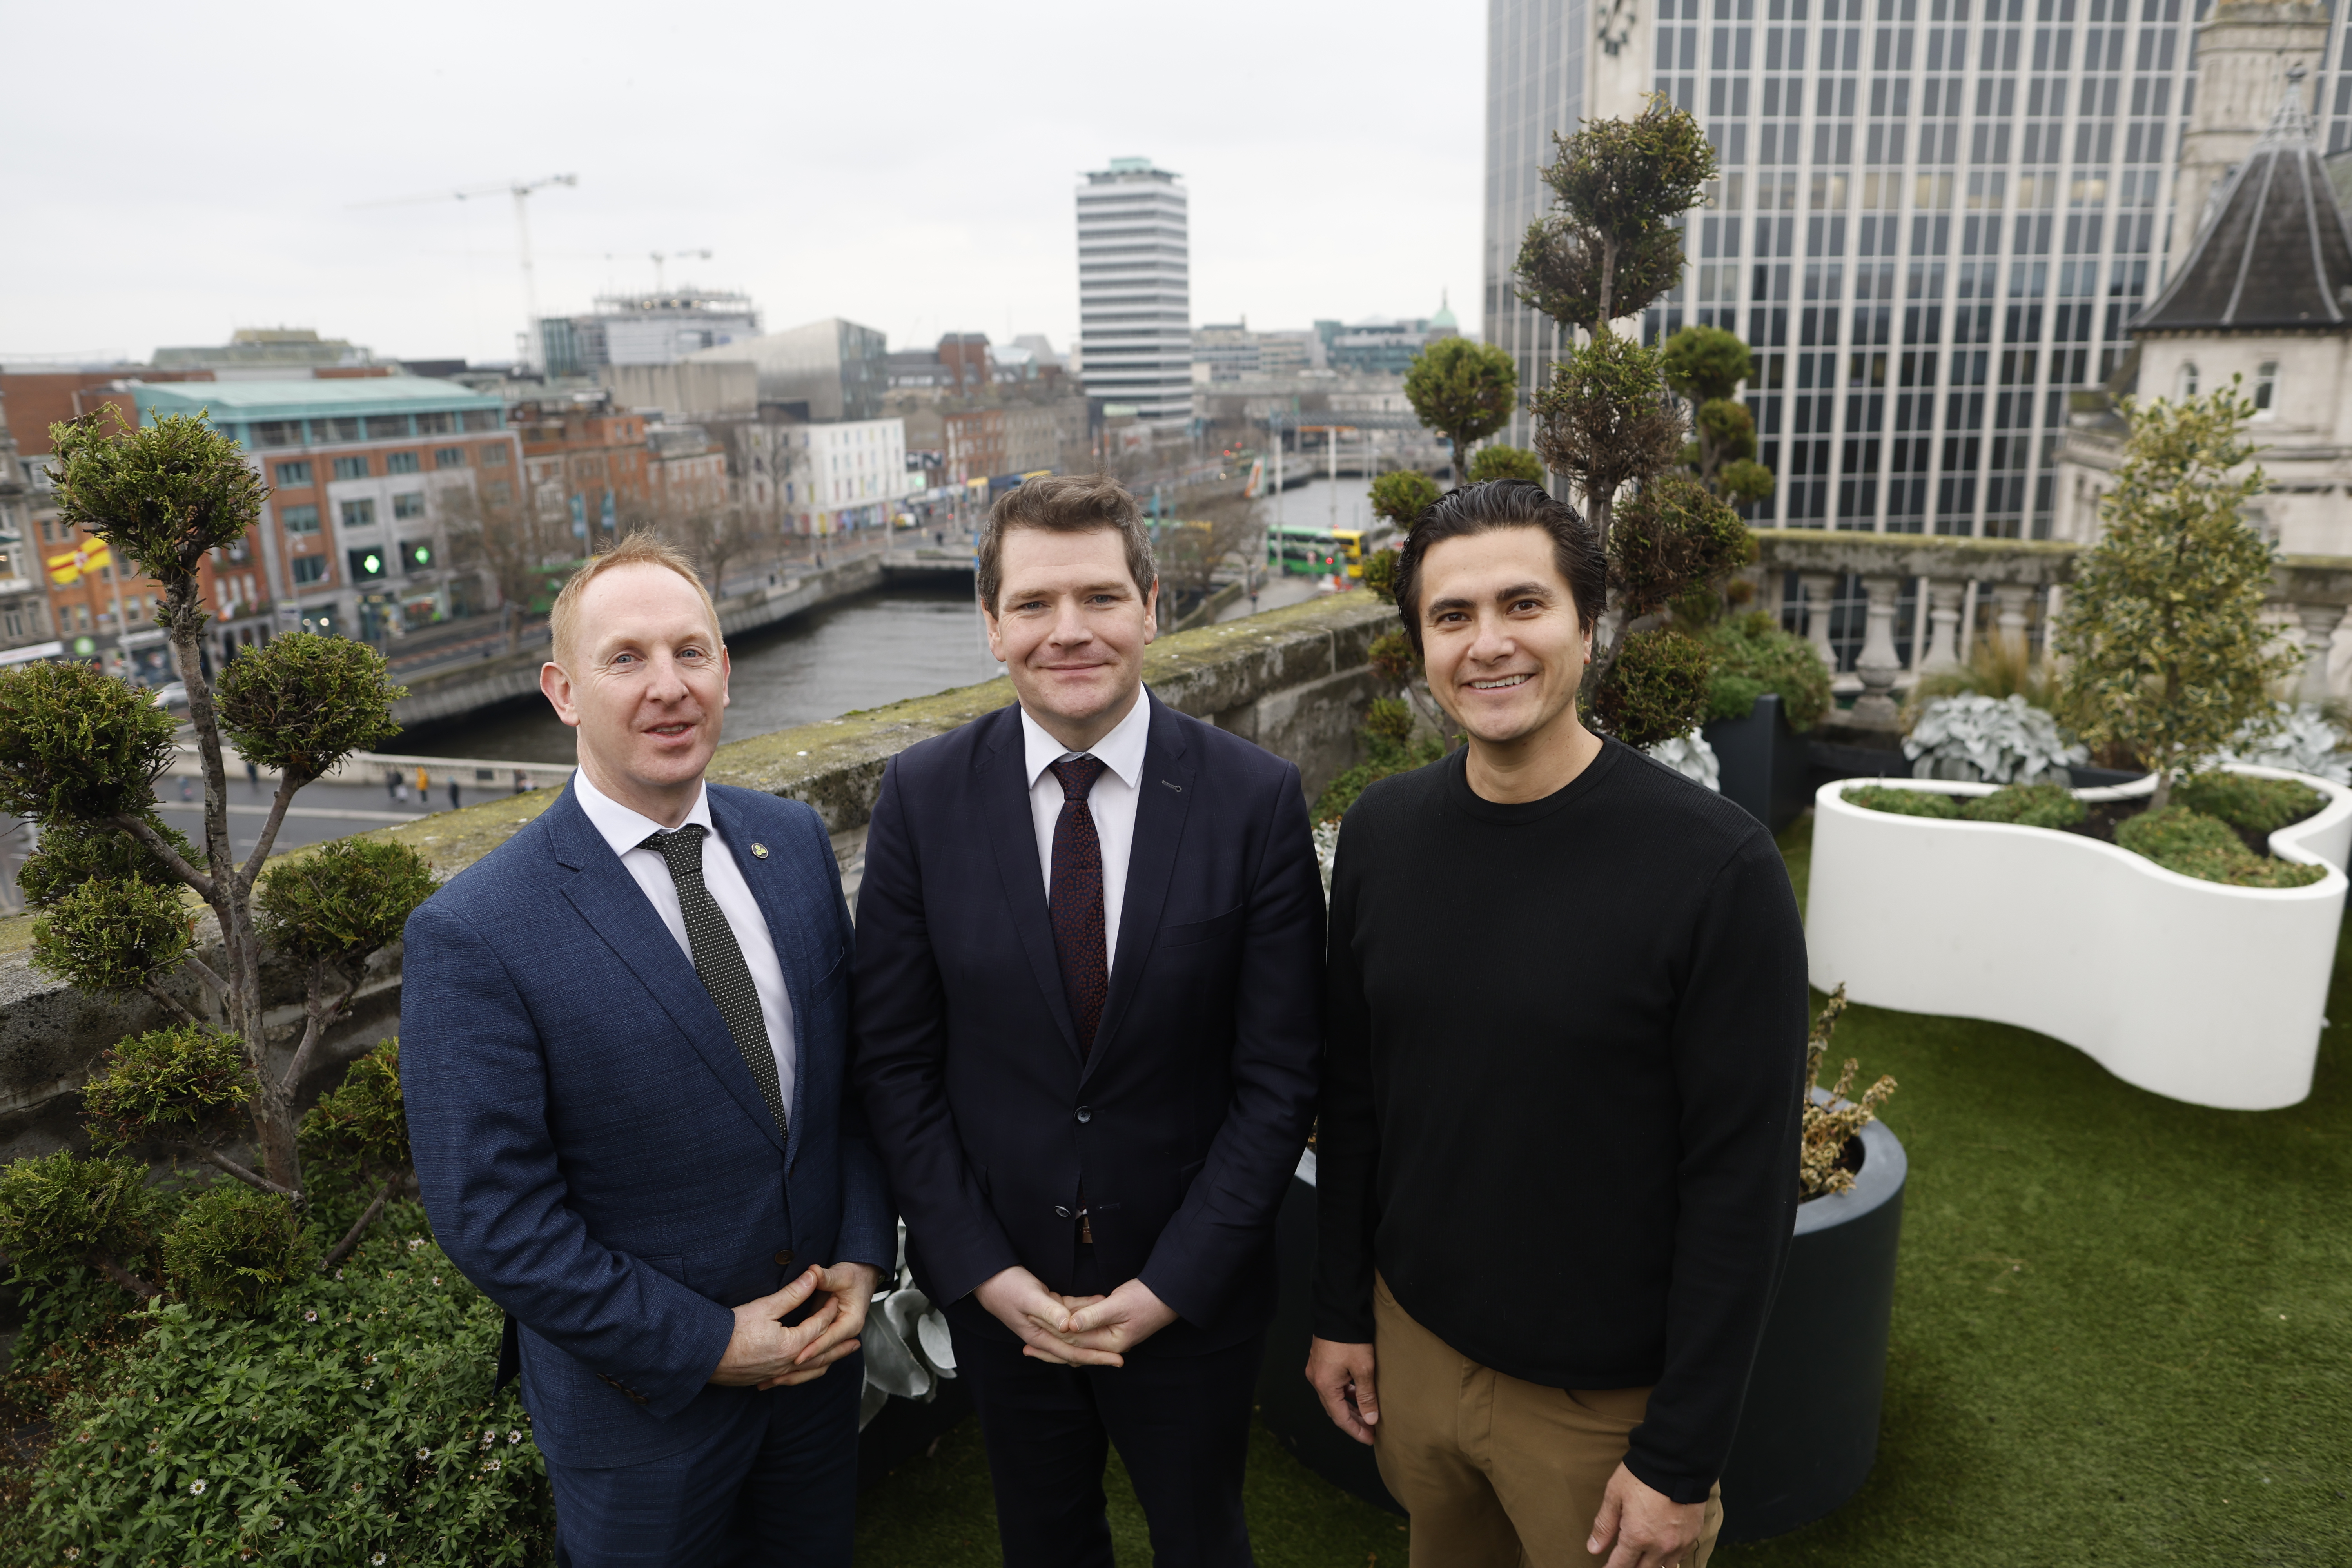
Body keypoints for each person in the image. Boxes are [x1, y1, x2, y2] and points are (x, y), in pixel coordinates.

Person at [1307, 480, 1808, 1568]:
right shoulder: (1385, 837)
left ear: (1589, 623)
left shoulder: (1715, 870)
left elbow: (1743, 1184)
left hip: (1602, 1408)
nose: (1488, 645)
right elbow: (1354, 1096)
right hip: (1417, 1350)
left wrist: (1680, 1456)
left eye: (1523, 605)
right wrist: (1343, 1310)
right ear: (1421, 645)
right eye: (1452, 617)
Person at [854, 474, 1323, 1567]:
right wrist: (985, 1273)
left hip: (1191, 1296)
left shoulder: (1254, 799)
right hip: (1004, 1295)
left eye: (1101, 597)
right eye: (1034, 604)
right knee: (1045, 1543)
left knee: (1205, 1539)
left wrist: (1171, 1287)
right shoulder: (922, 798)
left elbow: (1279, 1076)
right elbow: (896, 1064)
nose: (1070, 631)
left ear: (1152, 607)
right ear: (991, 626)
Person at [401, 533, 892, 1566]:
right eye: (625, 659)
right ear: (563, 691)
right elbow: (493, 1219)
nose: (668, 687)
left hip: (815, 1370)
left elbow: (841, 1089)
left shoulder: (792, 843)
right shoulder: (478, 930)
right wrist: (714, 1346)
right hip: (642, 1419)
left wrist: (859, 1252)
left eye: (692, 653)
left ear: (728, 671)